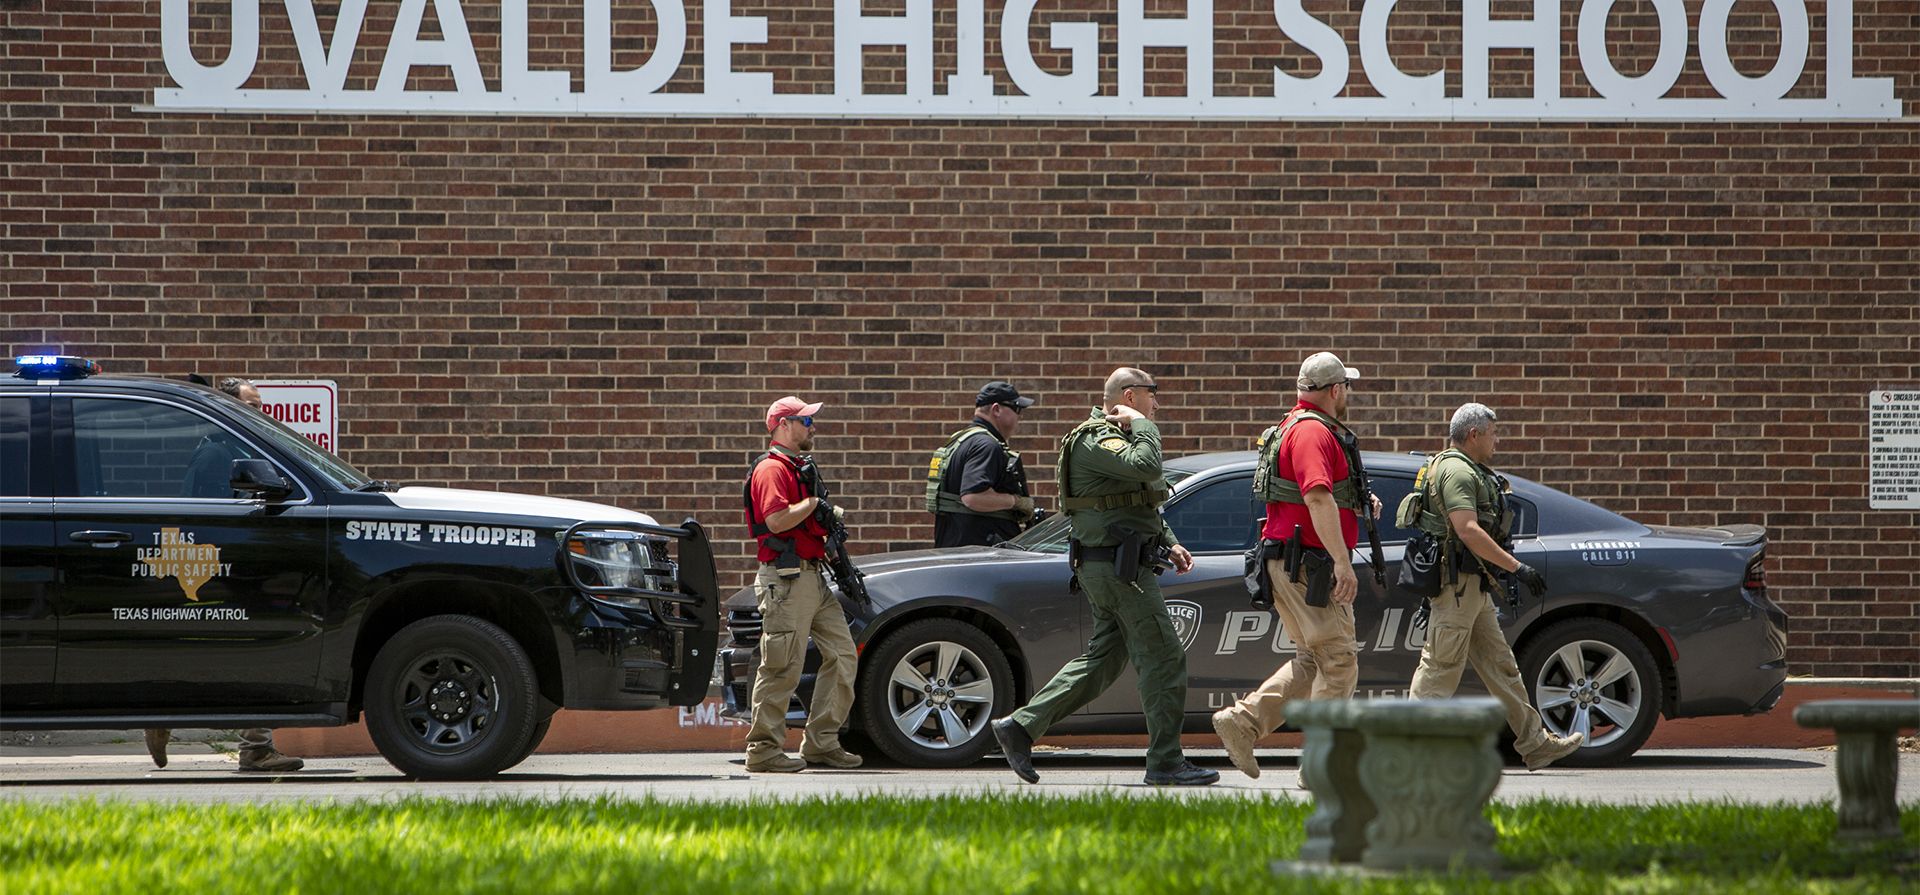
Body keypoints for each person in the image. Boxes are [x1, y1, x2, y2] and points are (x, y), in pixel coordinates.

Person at [991, 368, 1217, 786]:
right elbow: (1147, 466)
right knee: (1165, 657)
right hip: (1118, 569)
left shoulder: (1119, 437)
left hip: (1115, 564)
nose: (1157, 405)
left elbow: (1137, 501)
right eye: (1153, 397)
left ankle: (1020, 727)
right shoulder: (1097, 438)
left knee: (1104, 661)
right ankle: (1166, 762)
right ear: (1130, 396)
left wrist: (1168, 541)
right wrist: (1145, 426)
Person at [1211, 352, 1381, 780]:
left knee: (1314, 660)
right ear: (1335, 390)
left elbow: (1323, 495)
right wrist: (1343, 562)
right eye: (1348, 388)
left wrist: (1358, 504)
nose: (1349, 396)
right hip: (1310, 565)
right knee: (1339, 660)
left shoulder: (1295, 426)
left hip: (1290, 561)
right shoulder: (1312, 433)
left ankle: (1243, 723)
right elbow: (1317, 497)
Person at [1406, 403, 1583, 770]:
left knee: (1501, 666)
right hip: (1458, 589)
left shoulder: (1463, 467)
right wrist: (1516, 568)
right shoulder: (1456, 470)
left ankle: (1535, 743)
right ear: (1474, 435)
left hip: (1472, 588)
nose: (1497, 441)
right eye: (1493, 433)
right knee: (1439, 669)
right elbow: (1466, 528)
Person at [150, 376, 306, 773]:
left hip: (235, 564)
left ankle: (165, 711)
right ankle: (252, 747)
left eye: (259, 406)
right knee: (252, 653)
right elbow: (200, 515)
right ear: (230, 408)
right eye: (250, 406)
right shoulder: (216, 455)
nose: (259, 412)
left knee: (228, 654)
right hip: (225, 568)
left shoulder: (234, 449)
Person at [740, 396, 862, 773]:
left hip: (812, 578)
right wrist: (812, 505)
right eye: (806, 421)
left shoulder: (798, 467)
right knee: (782, 666)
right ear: (782, 424)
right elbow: (776, 521)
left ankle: (822, 743)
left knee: (843, 655)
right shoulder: (772, 470)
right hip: (786, 580)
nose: (812, 427)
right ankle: (762, 750)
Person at [929, 381, 1038, 548]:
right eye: (1017, 409)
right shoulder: (986, 445)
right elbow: (974, 497)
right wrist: (1016, 502)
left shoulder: (962, 440)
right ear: (996, 409)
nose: (1019, 416)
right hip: (980, 555)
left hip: (961, 550)